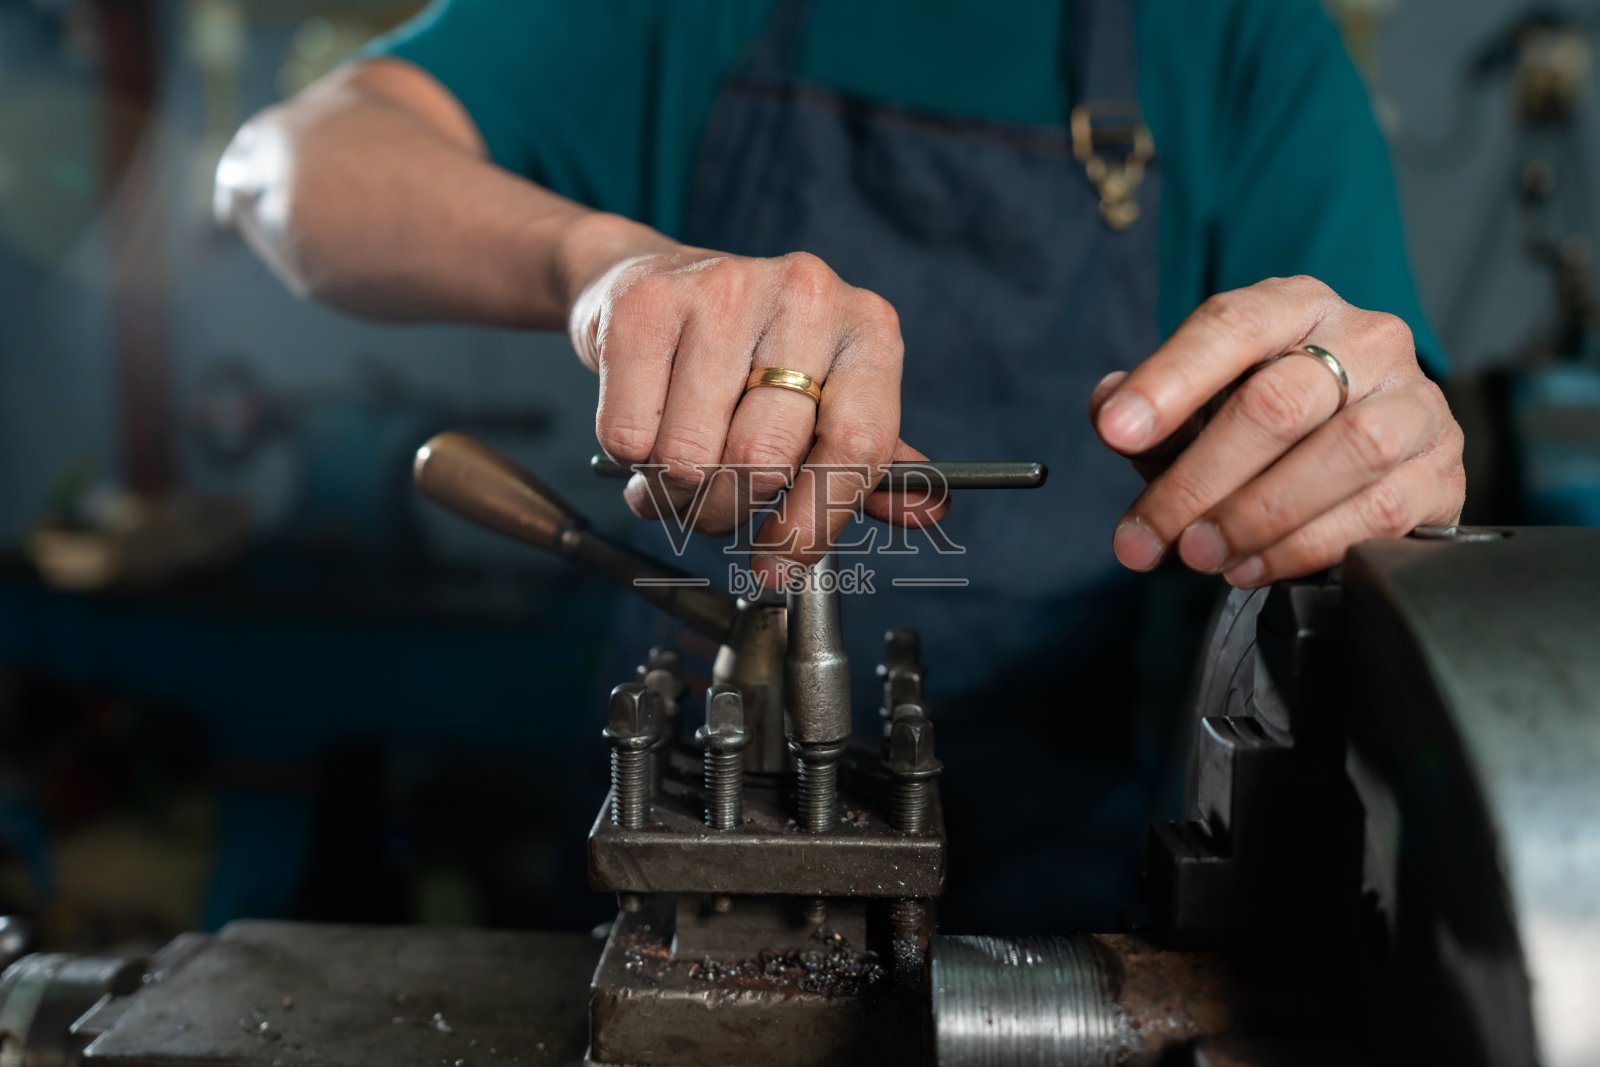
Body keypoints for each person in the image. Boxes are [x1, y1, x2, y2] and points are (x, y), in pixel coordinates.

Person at [216, 0, 1464, 930]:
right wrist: (600, 266)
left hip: (1061, 864)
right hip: (676, 845)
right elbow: (279, 167)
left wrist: (1371, 431)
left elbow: (1371, 447)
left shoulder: (1238, 38)